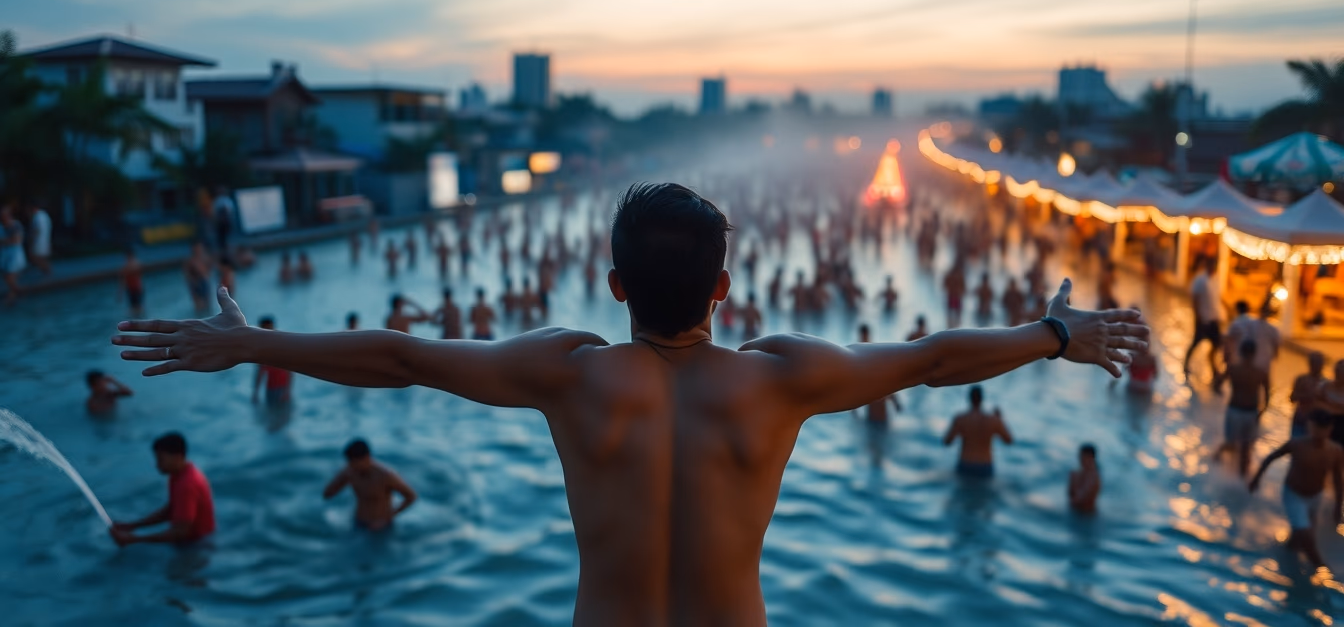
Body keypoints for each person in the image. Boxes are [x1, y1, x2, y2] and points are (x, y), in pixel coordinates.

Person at [114, 182, 1145, 625]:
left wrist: (246, 340)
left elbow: (400, 356)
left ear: (612, 287)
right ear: (722, 290)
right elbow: (931, 358)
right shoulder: (778, 380)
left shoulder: (572, 373)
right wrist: (1056, 335)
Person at [1248, 409, 1343, 571]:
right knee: (1306, 536)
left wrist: (1337, 507)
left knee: (1300, 537)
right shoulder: (1297, 444)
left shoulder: (1335, 451)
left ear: (1329, 429)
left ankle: (1284, 559)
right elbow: (1271, 457)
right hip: (1294, 495)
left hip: (1315, 496)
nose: (1317, 432)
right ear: (1309, 427)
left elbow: (1337, 480)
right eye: (1314, 427)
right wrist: (1256, 479)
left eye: (1322, 428)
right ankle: (1323, 570)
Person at [110, 432, 215, 546]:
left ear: (177, 457)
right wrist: (132, 526)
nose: (157, 465)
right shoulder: (180, 474)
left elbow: (180, 532)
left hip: (197, 546)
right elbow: (172, 510)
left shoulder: (187, 484)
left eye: (161, 459)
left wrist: (134, 540)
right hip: (196, 540)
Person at [322, 439, 418, 531]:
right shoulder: (350, 471)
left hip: (381, 525)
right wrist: (340, 478)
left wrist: (389, 516)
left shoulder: (386, 475)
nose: (353, 466)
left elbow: (411, 496)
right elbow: (327, 494)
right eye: (350, 463)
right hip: (358, 522)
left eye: (355, 463)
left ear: (367, 457)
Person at [1215, 338, 1268, 477]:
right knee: (1245, 449)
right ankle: (1241, 478)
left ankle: (1216, 457)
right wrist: (1260, 412)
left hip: (1234, 410)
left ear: (1241, 352)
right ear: (1254, 354)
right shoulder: (1260, 372)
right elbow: (1267, 397)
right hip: (1251, 412)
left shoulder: (1233, 369)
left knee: (1231, 444)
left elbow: (1217, 384)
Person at [943, 386, 1013, 478]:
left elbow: (947, 442)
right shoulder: (993, 420)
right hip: (985, 465)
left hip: (966, 463)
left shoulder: (961, 419)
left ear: (969, 398)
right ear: (982, 399)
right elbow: (1008, 440)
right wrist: (1000, 419)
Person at [1183, 257, 1223, 377]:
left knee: (1216, 344)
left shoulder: (1216, 279)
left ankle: (1213, 366)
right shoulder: (1200, 280)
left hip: (1214, 318)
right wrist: (1198, 316)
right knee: (1196, 342)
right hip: (1203, 318)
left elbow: (1217, 299)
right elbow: (1195, 299)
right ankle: (1186, 364)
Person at [252, 316, 293, 405]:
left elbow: (289, 369)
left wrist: (287, 390)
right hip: (271, 388)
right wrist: (255, 392)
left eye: (268, 329)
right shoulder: (262, 348)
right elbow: (260, 372)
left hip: (282, 387)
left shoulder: (280, 344)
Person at [1290, 352, 1328, 438]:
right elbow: (1292, 398)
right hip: (1300, 420)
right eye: (1314, 363)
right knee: (1297, 446)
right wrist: (1309, 395)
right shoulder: (1301, 379)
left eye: (1319, 363)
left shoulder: (1326, 383)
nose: (1316, 366)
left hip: (1316, 423)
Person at [1, 204, 27, 302]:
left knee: (9, 277)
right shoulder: (2, 227)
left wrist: (4, 241)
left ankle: (14, 295)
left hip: (15, 256)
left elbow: (16, 240)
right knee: (7, 277)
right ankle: (16, 294)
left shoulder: (16, 225)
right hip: (6, 255)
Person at [1068, 444, 1101, 514]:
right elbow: (1071, 496)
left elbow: (1078, 499)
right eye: (1080, 457)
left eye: (1084, 457)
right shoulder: (1077, 473)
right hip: (1077, 511)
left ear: (1091, 458)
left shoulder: (1093, 477)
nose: (1081, 460)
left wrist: (1074, 481)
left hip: (1087, 515)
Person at [183, 241, 211, 312]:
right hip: (196, 284)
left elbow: (209, 270)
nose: (199, 250)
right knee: (199, 306)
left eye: (200, 248)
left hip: (204, 282)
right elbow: (187, 275)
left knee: (208, 305)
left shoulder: (205, 258)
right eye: (197, 248)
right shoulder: (190, 261)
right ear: (193, 249)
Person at [26, 203, 51, 276]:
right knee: (41, 257)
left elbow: (37, 230)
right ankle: (46, 271)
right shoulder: (45, 215)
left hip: (38, 241)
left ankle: (46, 271)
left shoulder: (38, 216)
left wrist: (31, 239)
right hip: (44, 240)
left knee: (36, 257)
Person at [212, 186, 235, 254]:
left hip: (224, 222)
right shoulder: (222, 200)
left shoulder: (221, 200)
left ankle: (227, 250)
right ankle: (225, 251)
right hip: (223, 222)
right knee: (223, 238)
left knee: (225, 237)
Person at [122, 249, 145, 317]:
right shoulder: (128, 265)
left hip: (136, 287)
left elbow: (139, 272)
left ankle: (138, 319)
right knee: (134, 306)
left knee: (138, 306)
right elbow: (123, 279)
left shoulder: (134, 264)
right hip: (132, 288)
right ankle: (137, 319)